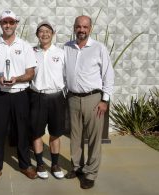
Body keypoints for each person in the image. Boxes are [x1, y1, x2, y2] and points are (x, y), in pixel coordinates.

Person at [0, 9, 37, 182]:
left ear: (16, 24)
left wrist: (17, 79)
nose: (8, 25)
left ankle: (25, 165)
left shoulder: (25, 46)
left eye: (11, 22)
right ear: (0, 24)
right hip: (0, 95)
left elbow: (30, 73)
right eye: (5, 22)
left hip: (20, 95)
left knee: (22, 132)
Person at [64, 15, 114, 189]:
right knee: (75, 137)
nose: (81, 30)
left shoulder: (99, 48)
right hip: (72, 98)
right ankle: (77, 167)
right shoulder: (67, 47)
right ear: (74, 27)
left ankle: (91, 173)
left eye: (85, 27)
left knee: (93, 138)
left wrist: (104, 100)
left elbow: (109, 74)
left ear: (90, 29)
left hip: (93, 99)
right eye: (78, 26)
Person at [30, 21, 66, 179]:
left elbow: (67, 75)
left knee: (55, 133)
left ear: (53, 33)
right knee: (37, 133)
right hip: (37, 96)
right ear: (37, 34)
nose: (44, 34)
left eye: (48, 31)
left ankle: (55, 164)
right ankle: (39, 164)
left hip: (56, 97)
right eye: (41, 31)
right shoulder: (31, 52)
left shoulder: (61, 53)